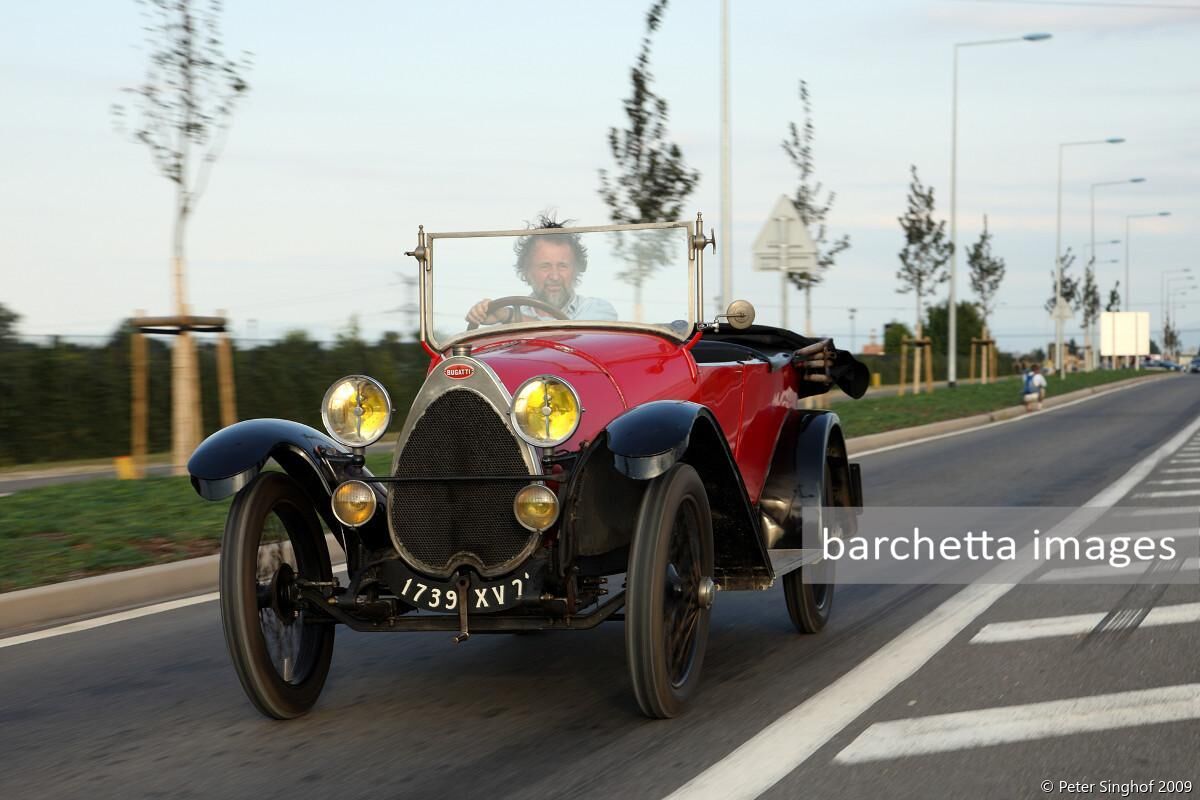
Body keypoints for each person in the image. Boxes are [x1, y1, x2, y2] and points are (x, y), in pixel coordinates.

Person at [466, 215, 618, 327]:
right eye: (545, 266)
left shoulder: (597, 310)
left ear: (576, 270)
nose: (554, 276)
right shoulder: (501, 323)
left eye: (563, 266)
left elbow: (575, 338)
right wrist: (479, 314)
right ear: (526, 271)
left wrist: (511, 316)